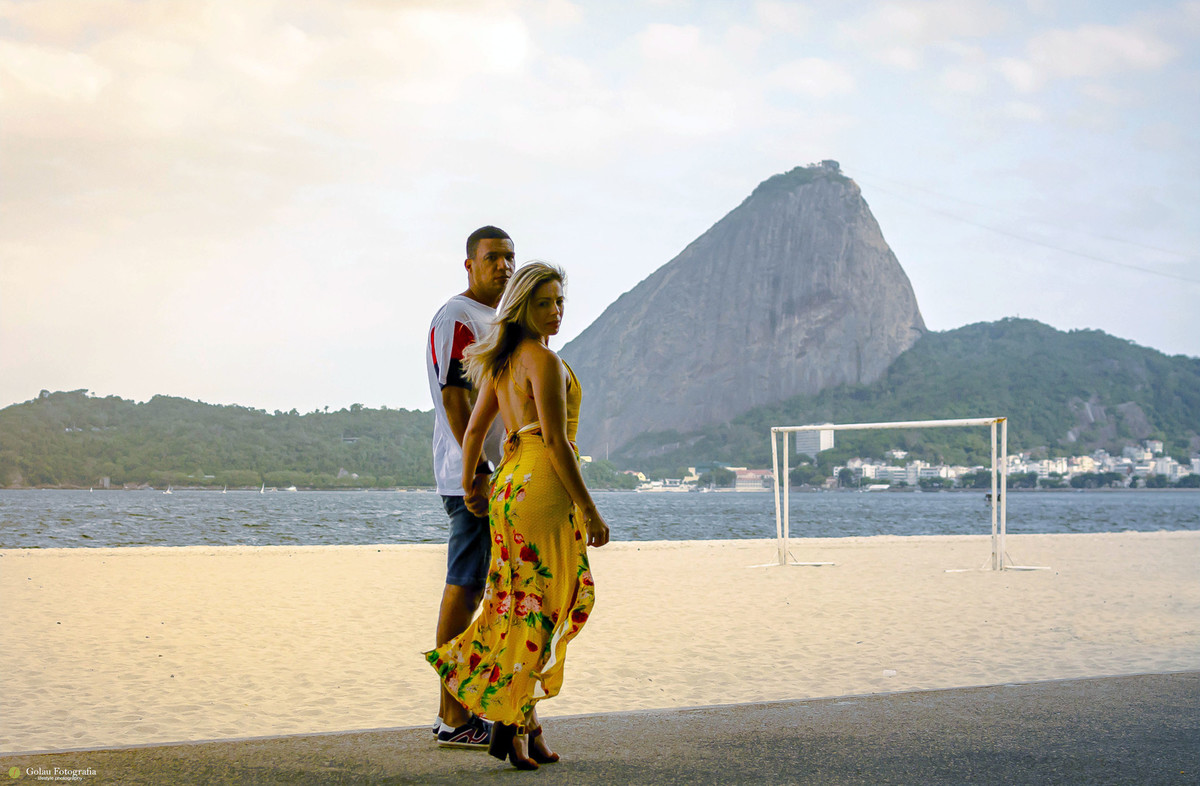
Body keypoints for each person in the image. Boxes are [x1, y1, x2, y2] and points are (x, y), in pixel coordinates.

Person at [425, 262, 611, 770]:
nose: (556, 312)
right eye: (544, 302)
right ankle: (510, 724)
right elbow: (555, 441)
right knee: (540, 610)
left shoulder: (502, 362)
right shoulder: (543, 363)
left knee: (516, 606)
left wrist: (472, 485)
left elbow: (472, 432)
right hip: (541, 487)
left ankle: (525, 726)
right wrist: (590, 510)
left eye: (560, 302)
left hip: (508, 485)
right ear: (522, 307)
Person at [426, 225, 515, 748]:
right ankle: (452, 716)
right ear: (469, 263)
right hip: (472, 480)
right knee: (465, 586)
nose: (502, 266)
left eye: (509, 257)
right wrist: (476, 469)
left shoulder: (500, 319)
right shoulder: (457, 318)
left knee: (479, 587)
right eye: (492, 257)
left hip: (498, 475)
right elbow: (456, 398)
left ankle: (458, 710)